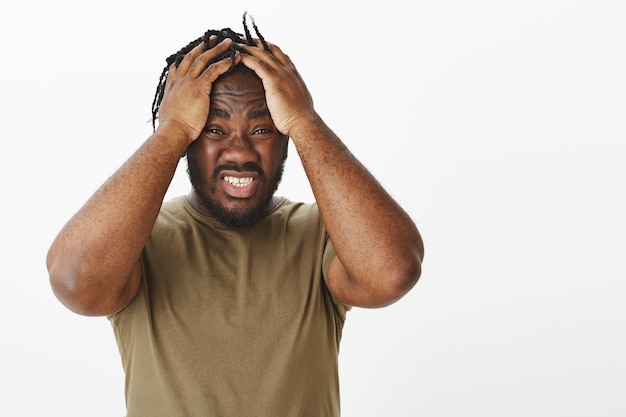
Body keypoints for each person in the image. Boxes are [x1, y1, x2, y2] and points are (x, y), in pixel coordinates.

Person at [46, 13, 424, 417]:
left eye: (262, 130)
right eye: (214, 129)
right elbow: (75, 282)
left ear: (285, 141)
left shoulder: (322, 237)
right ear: (189, 139)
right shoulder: (138, 242)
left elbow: (393, 271)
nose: (240, 152)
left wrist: (304, 119)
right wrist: (171, 129)